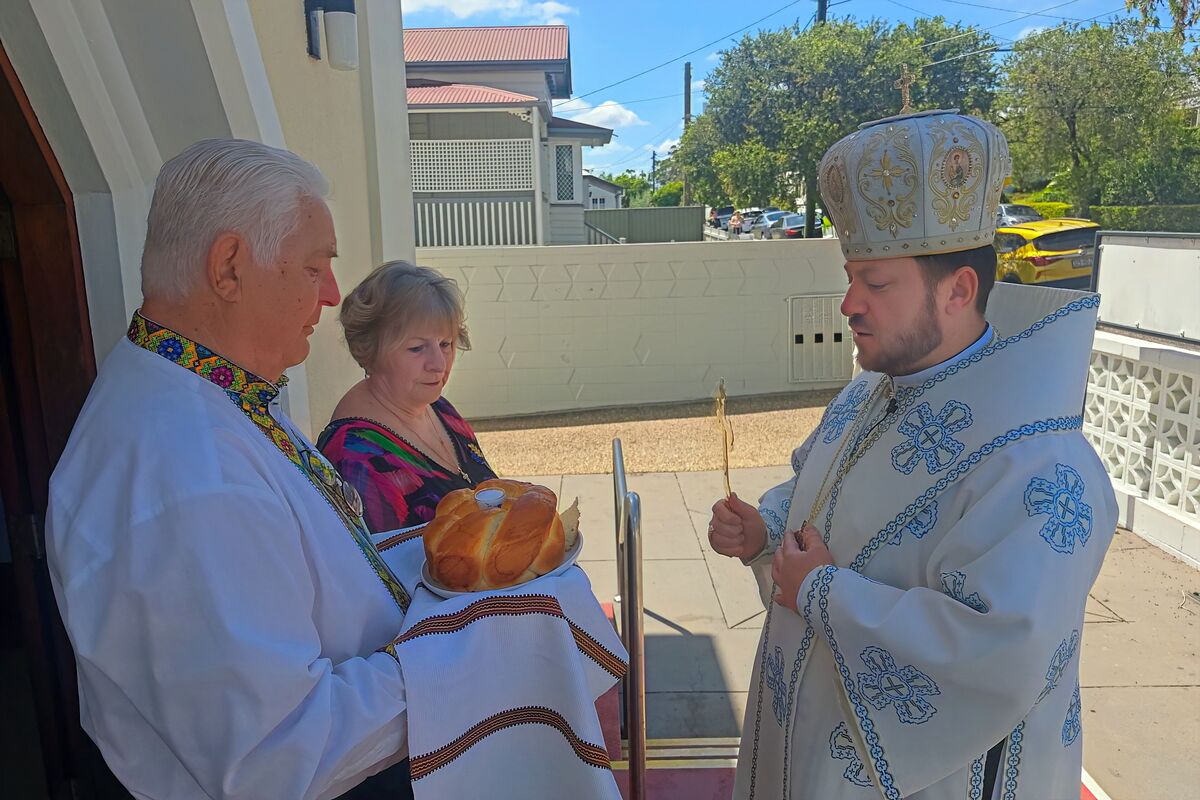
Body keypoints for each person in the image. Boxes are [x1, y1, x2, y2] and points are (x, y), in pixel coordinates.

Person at [707, 112, 1116, 799]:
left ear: (957, 289)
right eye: (850, 278)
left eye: (875, 283)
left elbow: (999, 654)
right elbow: (818, 489)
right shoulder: (867, 392)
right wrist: (768, 529)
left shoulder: (1042, 466)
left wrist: (823, 592)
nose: (848, 304)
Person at [46, 139, 416, 799]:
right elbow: (278, 757)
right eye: (314, 267)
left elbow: (295, 560)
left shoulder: (190, 390)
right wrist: (464, 651)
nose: (332, 294)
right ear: (229, 267)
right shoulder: (190, 470)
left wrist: (432, 553)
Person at [318, 261, 497, 533]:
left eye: (446, 344)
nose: (439, 363)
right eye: (416, 348)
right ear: (370, 350)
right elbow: (381, 569)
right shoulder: (355, 457)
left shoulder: (437, 407)